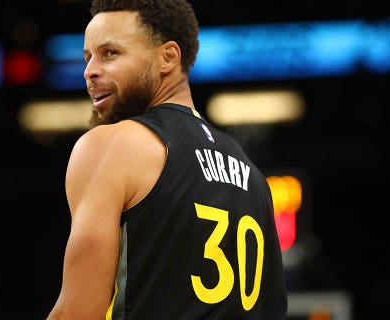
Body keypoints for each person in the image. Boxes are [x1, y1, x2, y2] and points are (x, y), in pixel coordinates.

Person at [46, 0, 288, 319]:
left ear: (168, 57)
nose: (89, 71)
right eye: (88, 57)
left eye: (110, 53)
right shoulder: (254, 176)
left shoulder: (111, 145)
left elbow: (77, 313)